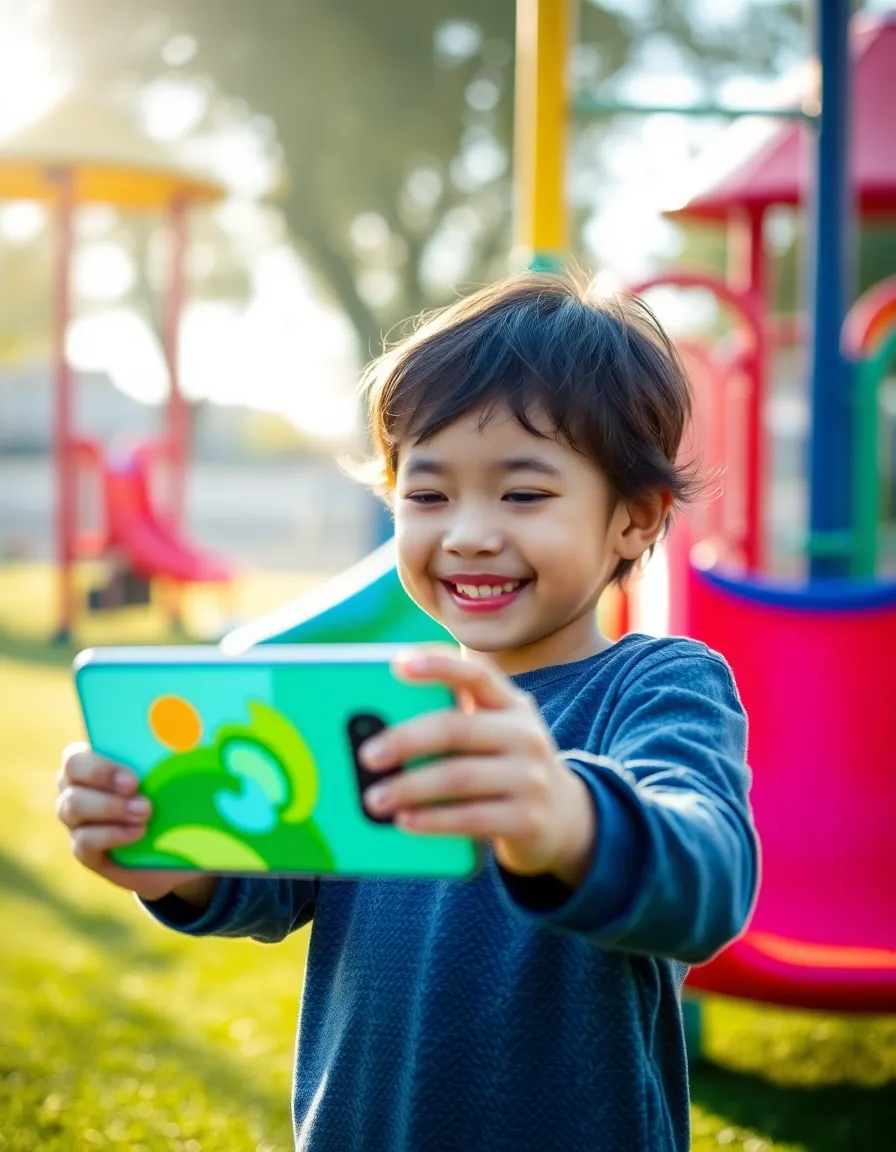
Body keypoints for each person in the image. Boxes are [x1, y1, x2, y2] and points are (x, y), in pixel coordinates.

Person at [56, 272, 759, 1152]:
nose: (465, 531)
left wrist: (563, 815)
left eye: (523, 494)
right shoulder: (376, 701)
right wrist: (165, 853)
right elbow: (272, 880)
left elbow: (711, 876)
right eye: (427, 496)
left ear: (633, 520)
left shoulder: (657, 684)